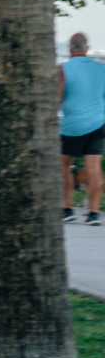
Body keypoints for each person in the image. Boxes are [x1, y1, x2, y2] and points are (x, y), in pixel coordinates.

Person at [59, 32, 104, 225]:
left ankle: (67, 209)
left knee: (64, 165)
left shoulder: (63, 68)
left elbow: (58, 97)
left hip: (73, 125)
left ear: (70, 48)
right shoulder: (101, 69)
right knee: (94, 168)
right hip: (98, 124)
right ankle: (93, 213)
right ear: (87, 49)